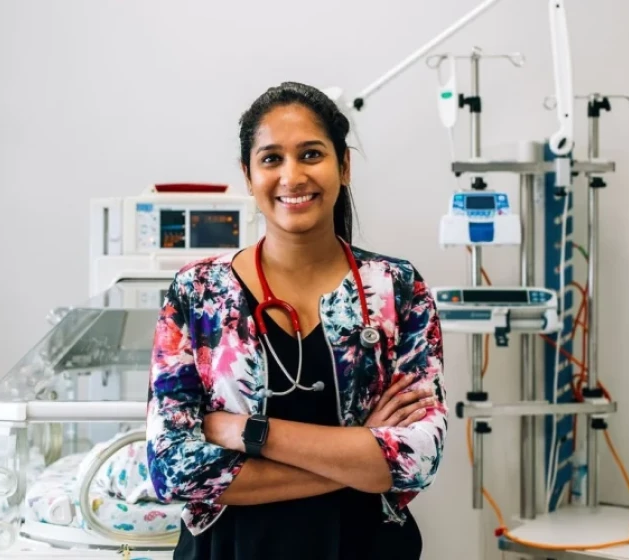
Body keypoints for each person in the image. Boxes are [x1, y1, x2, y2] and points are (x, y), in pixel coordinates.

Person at [146, 81, 448, 559]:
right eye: (271, 159)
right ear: (248, 175)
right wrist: (360, 455)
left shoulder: (397, 288)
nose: (292, 176)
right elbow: (173, 469)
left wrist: (247, 433)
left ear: (344, 165)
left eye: (311, 154)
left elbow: (417, 459)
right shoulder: (198, 293)